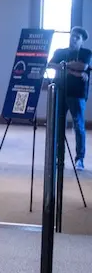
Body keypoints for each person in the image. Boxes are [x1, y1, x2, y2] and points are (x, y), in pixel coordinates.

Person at [51, 27, 90, 169]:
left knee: (78, 126)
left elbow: (83, 66)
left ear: (82, 41)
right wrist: (74, 71)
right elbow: (50, 64)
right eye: (72, 36)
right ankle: (57, 156)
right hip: (60, 92)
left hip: (77, 95)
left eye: (77, 38)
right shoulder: (61, 52)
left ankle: (80, 159)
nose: (73, 39)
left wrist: (64, 66)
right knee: (58, 126)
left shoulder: (86, 53)